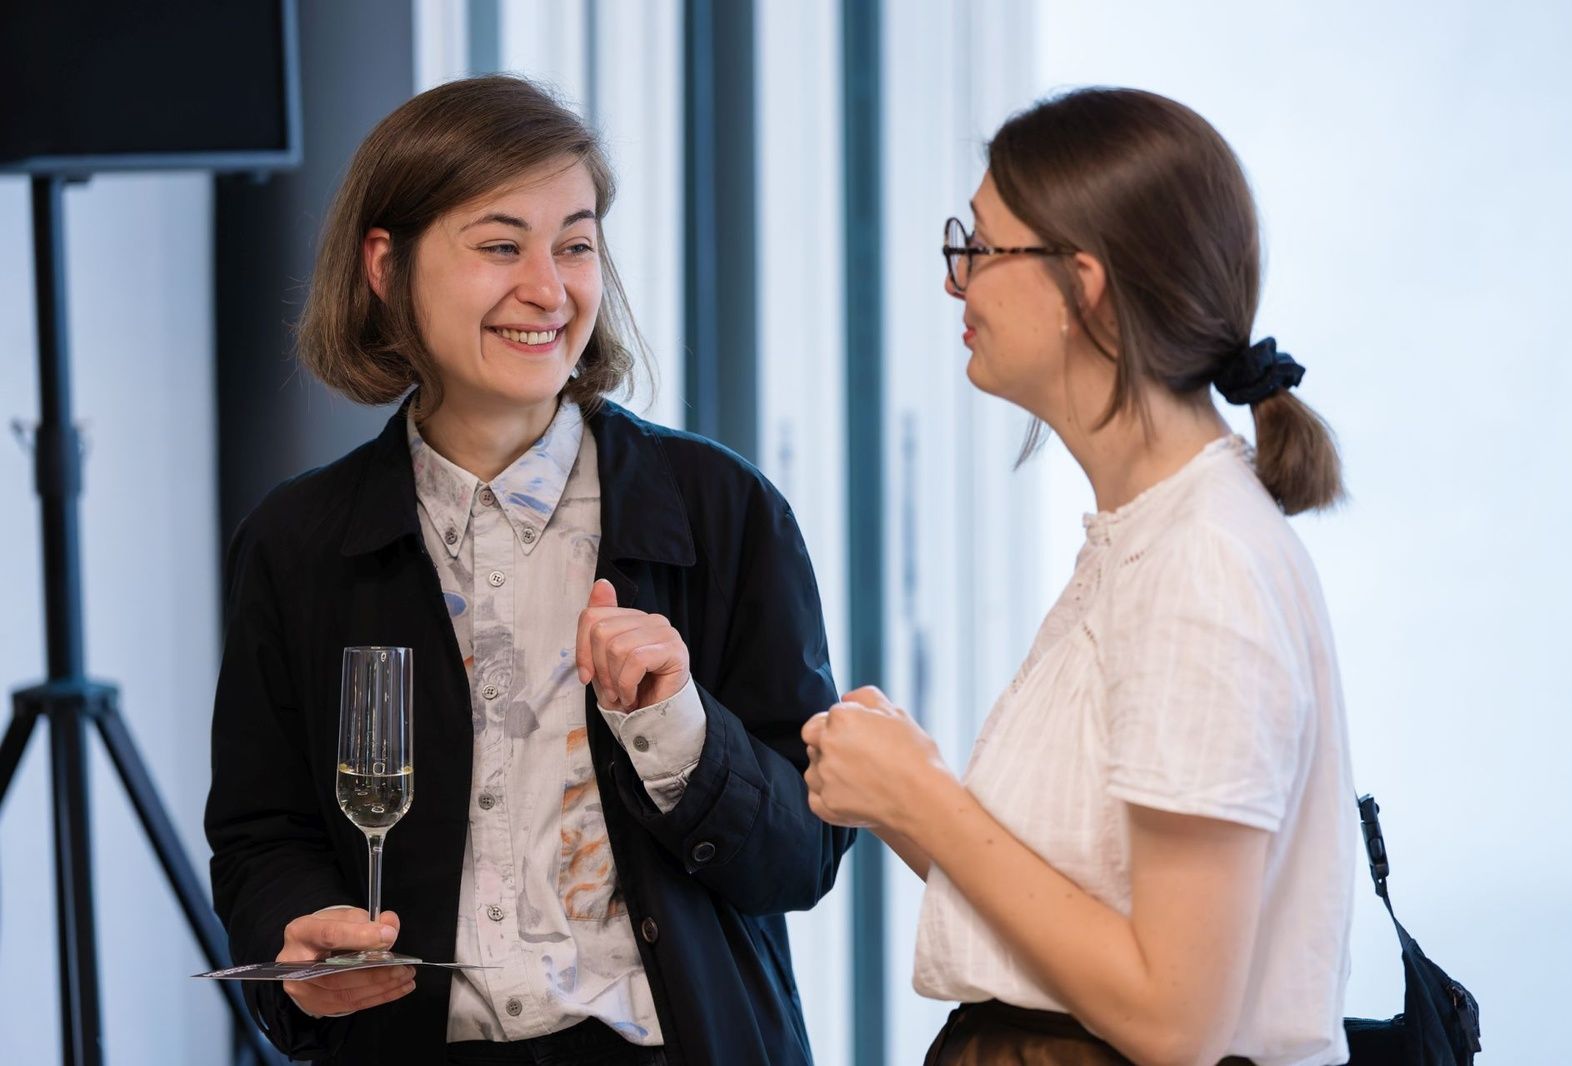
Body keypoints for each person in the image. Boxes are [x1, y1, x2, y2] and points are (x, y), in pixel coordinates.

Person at [205, 74, 850, 1066]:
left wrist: (678, 726)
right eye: (501, 246)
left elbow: (802, 856)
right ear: (385, 265)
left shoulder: (724, 510)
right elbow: (262, 833)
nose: (549, 289)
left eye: (576, 245)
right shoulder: (296, 542)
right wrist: (300, 928)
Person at [803, 87, 1356, 1066]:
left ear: (1083, 285)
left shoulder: (1199, 566)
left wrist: (924, 797)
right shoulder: (1148, 536)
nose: (957, 283)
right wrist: (900, 794)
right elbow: (1075, 919)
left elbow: (1173, 1019)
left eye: (980, 247)